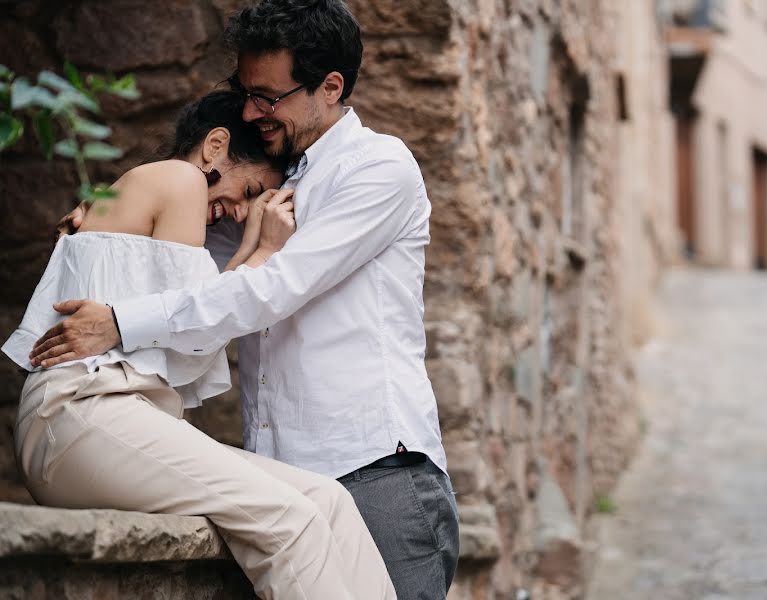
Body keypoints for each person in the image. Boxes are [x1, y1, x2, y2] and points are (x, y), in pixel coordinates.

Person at [37, 1, 460, 597]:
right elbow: (191, 276)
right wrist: (110, 213)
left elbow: (270, 289)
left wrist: (118, 323)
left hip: (375, 472)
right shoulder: (270, 190)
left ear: (330, 87)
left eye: (266, 96)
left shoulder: (378, 169)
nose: (248, 110)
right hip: (286, 484)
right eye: (243, 90)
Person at [4, 90, 396, 600]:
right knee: (288, 518)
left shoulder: (154, 190)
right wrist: (265, 251)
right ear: (215, 145)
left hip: (110, 419)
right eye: (250, 188)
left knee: (328, 501)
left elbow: (187, 328)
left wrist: (254, 251)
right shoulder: (181, 179)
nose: (237, 213)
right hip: (80, 413)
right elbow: (194, 333)